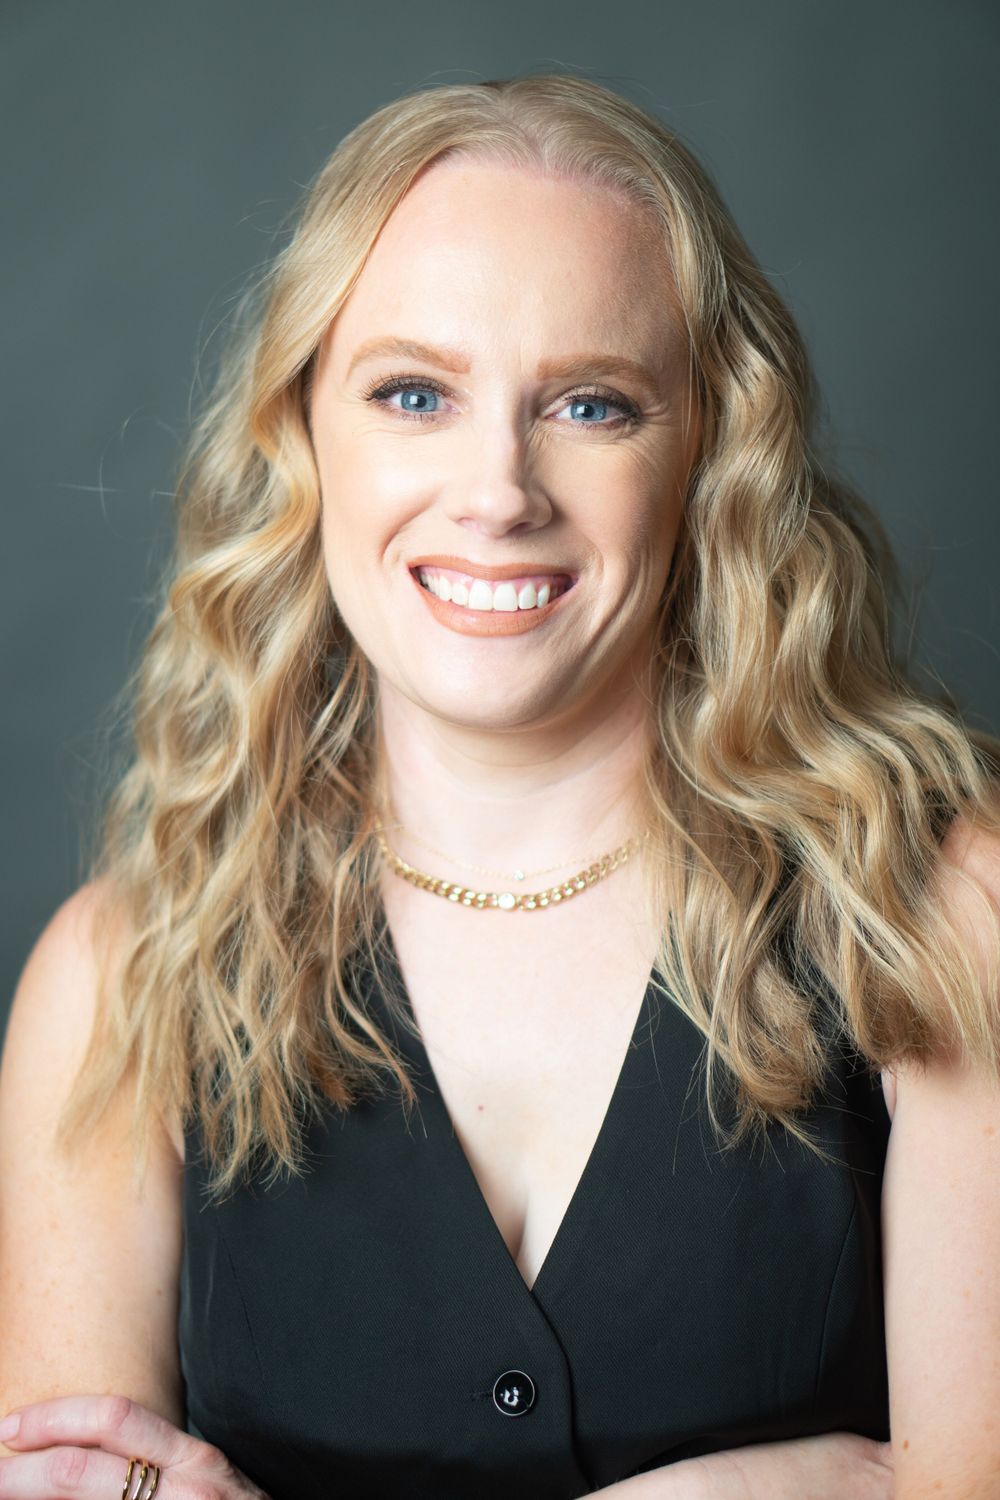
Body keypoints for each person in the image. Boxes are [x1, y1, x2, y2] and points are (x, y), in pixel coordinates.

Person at [1, 72, 999, 1500]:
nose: (497, 490)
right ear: (304, 438)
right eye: (414, 392)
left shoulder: (947, 917)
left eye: (591, 404)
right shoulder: (116, 982)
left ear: (709, 454)